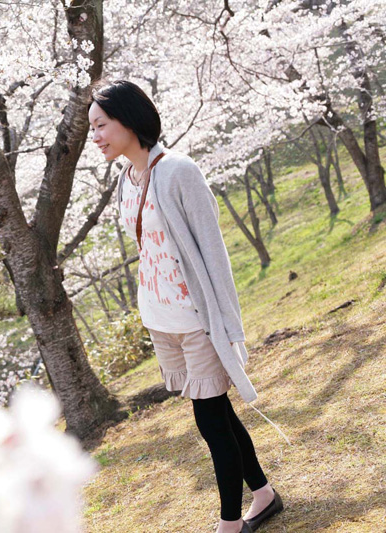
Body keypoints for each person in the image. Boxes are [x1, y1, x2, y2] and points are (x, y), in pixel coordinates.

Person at [87, 80, 284, 533]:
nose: (94, 137)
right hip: (162, 319)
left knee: (209, 420)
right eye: (91, 128)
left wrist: (229, 326)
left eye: (101, 125)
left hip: (198, 321)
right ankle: (264, 495)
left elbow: (214, 253)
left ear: (129, 120)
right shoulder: (125, 180)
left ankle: (229, 524)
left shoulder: (179, 171)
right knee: (218, 413)